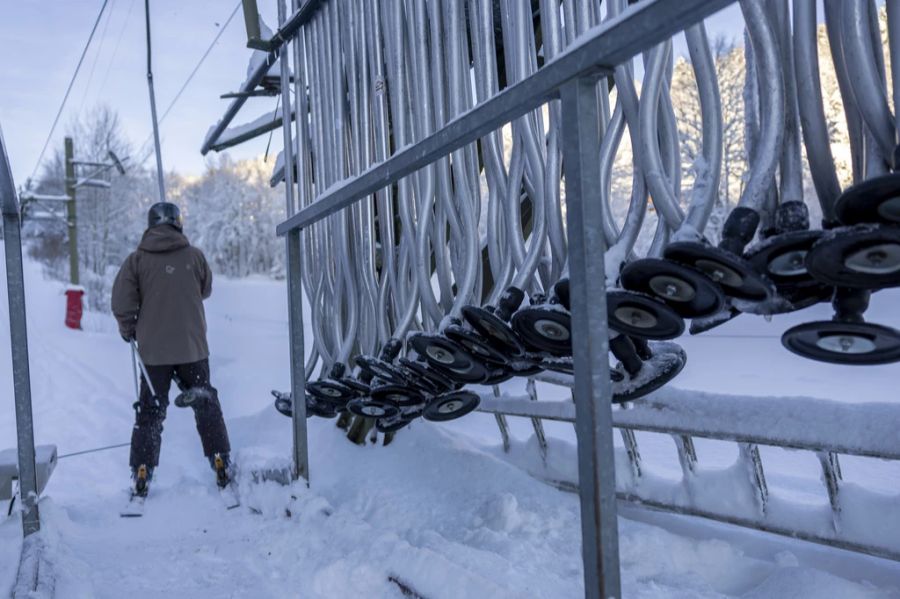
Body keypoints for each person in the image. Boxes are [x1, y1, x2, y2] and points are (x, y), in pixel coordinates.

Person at [112, 202, 231, 497]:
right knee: (205, 403)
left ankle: (143, 469)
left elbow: (122, 302)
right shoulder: (195, 256)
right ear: (178, 223)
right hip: (192, 348)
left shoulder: (136, 260)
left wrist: (129, 329)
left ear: (150, 225)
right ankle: (220, 460)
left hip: (153, 353)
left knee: (150, 412)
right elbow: (205, 289)